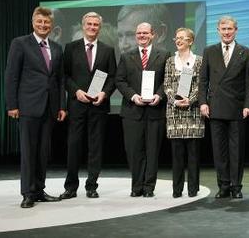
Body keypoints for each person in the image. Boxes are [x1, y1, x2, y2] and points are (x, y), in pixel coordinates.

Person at [5, 6, 66, 208]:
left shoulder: (57, 48)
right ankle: (28, 193)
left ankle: (39, 190)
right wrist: (12, 104)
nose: (43, 25)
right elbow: (11, 76)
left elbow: (59, 80)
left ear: (52, 25)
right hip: (28, 107)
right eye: (40, 21)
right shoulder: (20, 43)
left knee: (42, 152)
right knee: (28, 151)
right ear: (33, 22)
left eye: (47, 22)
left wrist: (61, 106)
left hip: (49, 108)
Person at [60, 12, 117, 199]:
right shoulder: (70, 48)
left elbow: (113, 77)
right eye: (89, 24)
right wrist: (75, 91)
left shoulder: (108, 50)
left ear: (100, 27)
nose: (92, 27)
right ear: (83, 26)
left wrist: (105, 93)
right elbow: (65, 76)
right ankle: (70, 187)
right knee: (74, 146)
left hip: (98, 106)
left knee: (96, 147)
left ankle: (91, 186)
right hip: (77, 104)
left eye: (96, 25)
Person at [198, 15, 249, 199]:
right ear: (218, 31)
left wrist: (248, 105)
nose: (227, 32)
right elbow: (203, 80)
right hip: (215, 108)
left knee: (236, 150)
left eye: (230, 29)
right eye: (223, 29)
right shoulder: (210, 51)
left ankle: (236, 186)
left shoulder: (245, 52)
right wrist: (203, 102)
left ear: (236, 30)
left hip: (237, 108)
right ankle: (223, 185)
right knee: (219, 150)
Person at [115, 22, 170, 197]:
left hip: (155, 111)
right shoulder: (126, 56)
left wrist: (159, 95)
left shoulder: (164, 55)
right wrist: (133, 96)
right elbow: (120, 81)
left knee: (152, 151)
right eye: (139, 33)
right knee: (133, 151)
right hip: (132, 111)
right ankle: (136, 186)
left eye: (145, 33)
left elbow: (167, 81)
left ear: (153, 34)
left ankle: (148, 187)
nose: (142, 36)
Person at [164, 28, 204, 198]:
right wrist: (175, 100)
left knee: (193, 155)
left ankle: (193, 189)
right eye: (177, 38)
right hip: (175, 112)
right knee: (177, 154)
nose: (178, 40)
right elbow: (166, 84)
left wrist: (191, 99)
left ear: (190, 41)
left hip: (193, 111)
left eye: (182, 38)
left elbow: (201, 84)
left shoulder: (199, 61)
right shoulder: (170, 61)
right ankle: (177, 189)